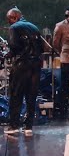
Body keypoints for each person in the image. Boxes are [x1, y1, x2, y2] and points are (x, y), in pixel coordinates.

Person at [4, 7, 43, 136]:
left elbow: (14, 47)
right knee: (31, 96)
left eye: (9, 20)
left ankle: (14, 126)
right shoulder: (34, 27)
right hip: (36, 66)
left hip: (22, 65)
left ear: (14, 17)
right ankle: (28, 127)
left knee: (16, 95)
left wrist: (8, 54)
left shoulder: (14, 27)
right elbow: (41, 48)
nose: (9, 23)